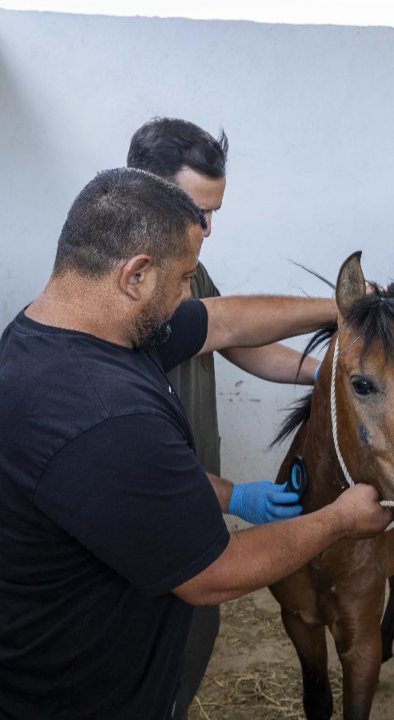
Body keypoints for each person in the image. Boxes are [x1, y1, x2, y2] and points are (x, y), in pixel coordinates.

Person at [0, 168, 392, 720]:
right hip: (81, 703)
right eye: (186, 276)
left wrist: (343, 310)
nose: (190, 294)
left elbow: (221, 321)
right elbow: (212, 575)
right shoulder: (102, 416)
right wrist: (338, 519)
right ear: (136, 275)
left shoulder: (64, 329)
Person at [125, 117, 318, 717]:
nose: (207, 227)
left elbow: (236, 340)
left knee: (190, 643)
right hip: (154, 520)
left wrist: (329, 372)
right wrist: (237, 497)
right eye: (195, 209)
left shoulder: (190, 274)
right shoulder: (124, 296)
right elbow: (131, 466)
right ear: (141, 193)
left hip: (195, 512)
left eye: (213, 211)